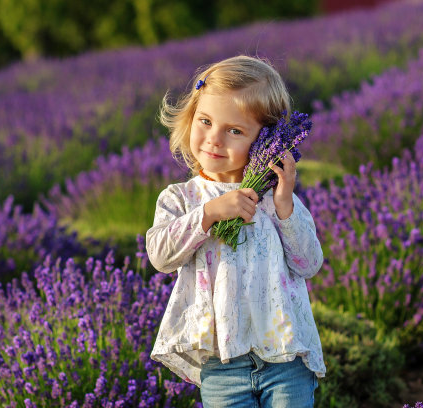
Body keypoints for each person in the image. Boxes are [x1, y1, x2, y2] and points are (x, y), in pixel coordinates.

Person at [146, 55, 326, 408]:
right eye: (205, 121)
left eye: (234, 131)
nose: (214, 139)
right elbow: (160, 256)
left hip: (285, 354)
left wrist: (285, 204)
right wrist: (210, 213)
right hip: (222, 360)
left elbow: (309, 263)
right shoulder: (182, 198)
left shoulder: (275, 200)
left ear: (266, 138)